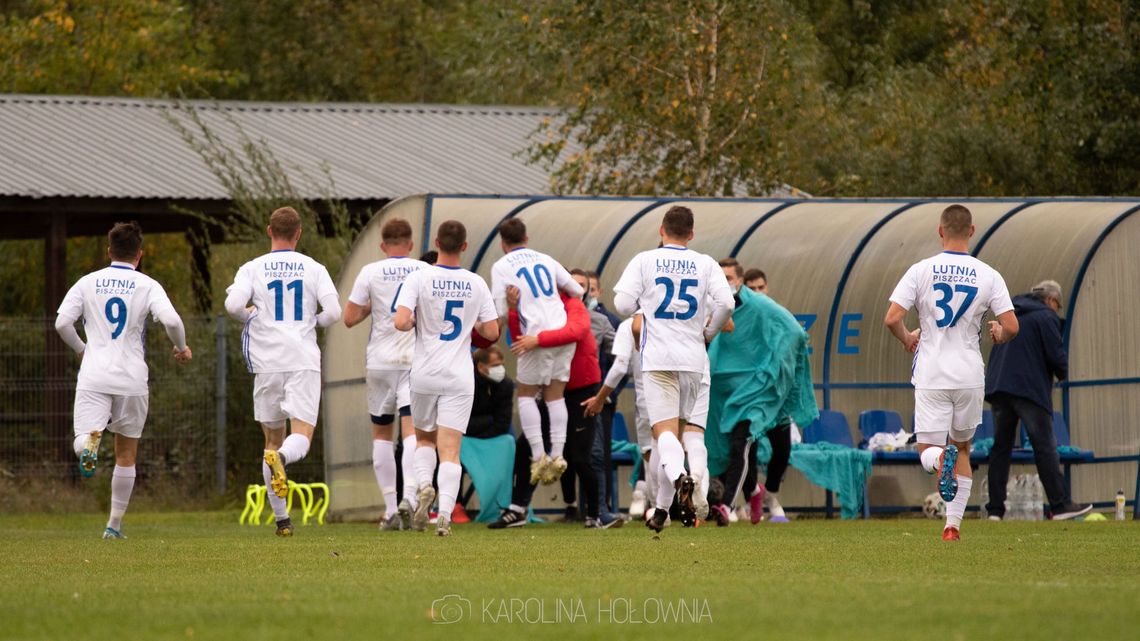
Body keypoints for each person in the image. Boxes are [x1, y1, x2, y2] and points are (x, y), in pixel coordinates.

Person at [884, 204, 1018, 542]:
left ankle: (938, 458)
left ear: (940, 230)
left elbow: (892, 318)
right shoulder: (988, 274)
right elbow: (1011, 326)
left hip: (932, 373)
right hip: (970, 373)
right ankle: (952, 527)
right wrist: (999, 335)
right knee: (963, 448)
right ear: (972, 231)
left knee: (927, 448)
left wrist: (908, 339)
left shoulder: (920, 270)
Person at [55, 222, 193, 539]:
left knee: (84, 437)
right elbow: (172, 320)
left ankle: (89, 445)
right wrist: (182, 347)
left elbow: (62, 323)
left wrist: (81, 349)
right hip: (132, 378)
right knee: (126, 454)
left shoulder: (88, 283)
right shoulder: (147, 285)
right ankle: (113, 526)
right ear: (139, 255)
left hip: (94, 373)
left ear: (109, 251)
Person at [612, 205, 734, 532]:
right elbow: (727, 304)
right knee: (677, 436)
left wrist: (645, 306)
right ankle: (662, 512)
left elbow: (623, 304)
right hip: (694, 359)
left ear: (660, 229)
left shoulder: (644, 260)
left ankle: (680, 477)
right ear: (691, 234)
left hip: (658, 359)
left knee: (663, 434)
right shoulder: (706, 263)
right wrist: (708, 333)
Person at [225, 207, 341, 537]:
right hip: (302, 358)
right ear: (299, 234)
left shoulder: (252, 268)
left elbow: (233, 306)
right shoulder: (314, 268)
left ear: (269, 231)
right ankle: (284, 461)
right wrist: (310, 323)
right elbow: (333, 311)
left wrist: (253, 317)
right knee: (301, 435)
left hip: (267, 362)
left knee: (271, 441)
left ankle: (282, 520)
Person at [394, 220, 499, 536]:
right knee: (451, 449)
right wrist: (473, 327)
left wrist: (414, 320)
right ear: (465, 246)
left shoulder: (418, 276)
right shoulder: (476, 283)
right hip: (459, 375)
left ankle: (425, 485)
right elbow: (492, 332)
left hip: (425, 373)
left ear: (437, 242)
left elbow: (400, 321)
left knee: (424, 438)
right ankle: (445, 517)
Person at [491, 286, 623, 529]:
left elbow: (576, 331)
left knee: (581, 457)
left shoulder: (574, 307)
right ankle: (517, 509)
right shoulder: (541, 308)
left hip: (580, 392)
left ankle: (596, 513)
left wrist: (538, 339)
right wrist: (512, 311)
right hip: (551, 391)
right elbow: (520, 340)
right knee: (524, 448)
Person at [343, 217, 430, 531]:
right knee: (412, 434)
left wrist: (372, 308)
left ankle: (390, 509)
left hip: (379, 361)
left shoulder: (370, 271)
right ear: (410, 244)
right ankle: (409, 497)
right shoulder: (423, 270)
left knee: (381, 434)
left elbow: (349, 318)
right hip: (413, 359)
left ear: (382, 245)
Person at [708, 258, 807, 526]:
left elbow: (794, 332)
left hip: (758, 392)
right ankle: (753, 492)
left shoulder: (761, 306)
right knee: (733, 448)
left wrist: (774, 371)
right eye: (721, 278)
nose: (725, 283)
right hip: (725, 392)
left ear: (739, 281)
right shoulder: (712, 304)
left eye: (729, 278)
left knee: (749, 443)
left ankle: (727, 506)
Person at [984, 280, 1091, 521]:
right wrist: (1063, 374)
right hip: (1028, 388)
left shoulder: (1011, 312)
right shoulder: (1046, 316)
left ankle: (995, 510)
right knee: (1044, 446)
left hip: (999, 387)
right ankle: (1060, 505)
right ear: (1052, 300)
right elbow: (1055, 353)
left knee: (1001, 448)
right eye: (1058, 306)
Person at [490, 219, 584, 486]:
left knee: (527, 395)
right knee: (556, 397)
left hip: (535, 336)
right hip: (561, 334)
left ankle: (539, 455)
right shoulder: (545, 258)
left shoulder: (502, 266)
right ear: (527, 238)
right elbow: (576, 290)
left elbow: (499, 312)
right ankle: (558, 454)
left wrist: (511, 307)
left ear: (502, 244)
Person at [582, 313, 652, 518]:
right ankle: (691, 488)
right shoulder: (675, 321)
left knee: (650, 452)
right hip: (683, 394)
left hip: (648, 399)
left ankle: (655, 504)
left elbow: (621, 366)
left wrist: (601, 397)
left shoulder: (626, 325)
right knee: (681, 444)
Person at [565, 268, 615, 520]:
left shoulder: (601, 321)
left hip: (589, 395)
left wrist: (605, 391)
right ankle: (519, 507)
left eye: (583, 285)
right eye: (573, 284)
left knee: (593, 453)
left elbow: (621, 357)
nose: (579, 289)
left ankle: (598, 511)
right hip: (556, 395)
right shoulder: (554, 316)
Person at [468, 346, 514, 439]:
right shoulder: (465, 383)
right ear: (480, 367)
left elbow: (503, 423)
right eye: (495, 366)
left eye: (502, 365)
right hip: (462, 436)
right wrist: (489, 420)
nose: (501, 369)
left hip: (490, 436)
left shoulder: (505, 384)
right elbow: (459, 422)